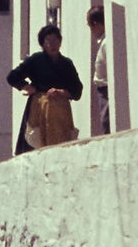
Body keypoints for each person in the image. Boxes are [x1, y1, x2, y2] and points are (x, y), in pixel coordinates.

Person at [7, 25, 83, 155]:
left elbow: (77, 90)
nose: (52, 44)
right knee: (37, 143)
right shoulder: (36, 60)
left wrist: (61, 92)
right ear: (43, 44)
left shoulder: (66, 64)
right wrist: (26, 86)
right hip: (40, 107)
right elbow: (12, 76)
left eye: (55, 40)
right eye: (48, 41)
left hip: (60, 109)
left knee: (60, 144)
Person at [88, 5, 110, 135]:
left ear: (96, 24)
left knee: (106, 124)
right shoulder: (103, 42)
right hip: (102, 91)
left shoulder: (106, 43)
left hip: (106, 90)